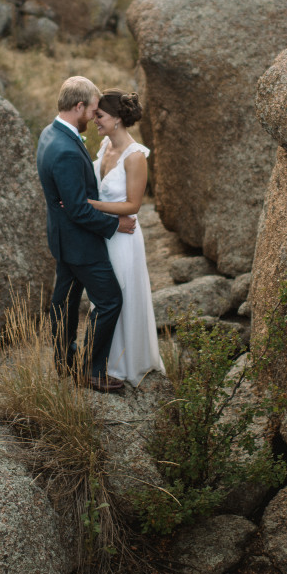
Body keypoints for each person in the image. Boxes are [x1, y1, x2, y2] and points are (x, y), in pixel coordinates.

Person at [36, 76, 136, 394]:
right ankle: (90, 371)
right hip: (80, 243)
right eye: (92, 109)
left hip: (63, 239)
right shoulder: (65, 149)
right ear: (79, 106)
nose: (94, 116)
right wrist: (114, 225)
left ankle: (64, 362)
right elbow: (78, 210)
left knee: (63, 302)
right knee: (109, 302)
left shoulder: (50, 133)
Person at [88, 89, 165, 386]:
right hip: (104, 233)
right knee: (103, 298)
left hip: (124, 238)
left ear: (118, 119)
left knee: (120, 295)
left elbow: (133, 205)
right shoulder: (105, 145)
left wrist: (90, 206)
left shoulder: (136, 157)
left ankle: (124, 363)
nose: (96, 121)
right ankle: (100, 360)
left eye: (101, 116)